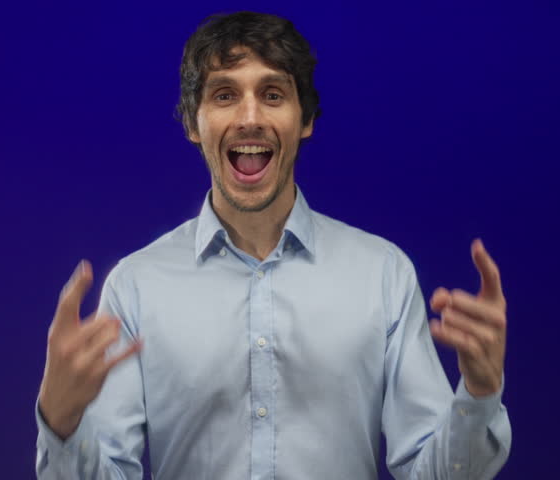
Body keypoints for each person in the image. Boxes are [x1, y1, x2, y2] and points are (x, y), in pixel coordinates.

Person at [35, 11, 511, 480]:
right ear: (192, 125)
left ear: (304, 119)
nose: (249, 117)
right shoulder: (136, 286)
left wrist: (480, 393)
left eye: (273, 94)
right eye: (224, 94)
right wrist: (59, 423)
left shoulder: (383, 274)